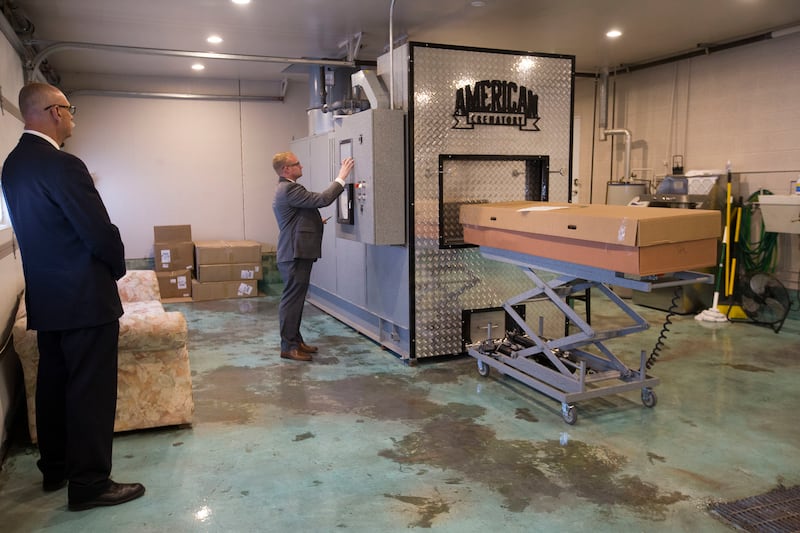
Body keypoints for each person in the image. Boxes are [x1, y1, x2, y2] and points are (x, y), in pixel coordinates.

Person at [1, 82, 145, 511]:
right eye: (70, 109)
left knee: (54, 383)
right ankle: (90, 483)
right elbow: (98, 231)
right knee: (90, 391)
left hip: (47, 295)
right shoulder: (63, 165)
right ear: (54, 112)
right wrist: (118, 268)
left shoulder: (13, 165)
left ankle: (56, 467)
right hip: (84, 298)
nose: (73, 117)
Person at [272, 151, 354, 361]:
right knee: (292, 301)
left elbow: (295, 218)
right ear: (286, 169)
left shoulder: (285, 189)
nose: (302, 166)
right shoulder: (290, 188)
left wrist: (316, 223)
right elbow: (323, 199)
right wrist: (341, 177)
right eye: (297, 164)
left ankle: (295, 341)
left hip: (295, 252)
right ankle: (288, 347)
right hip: (294, 253)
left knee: (297, 300)